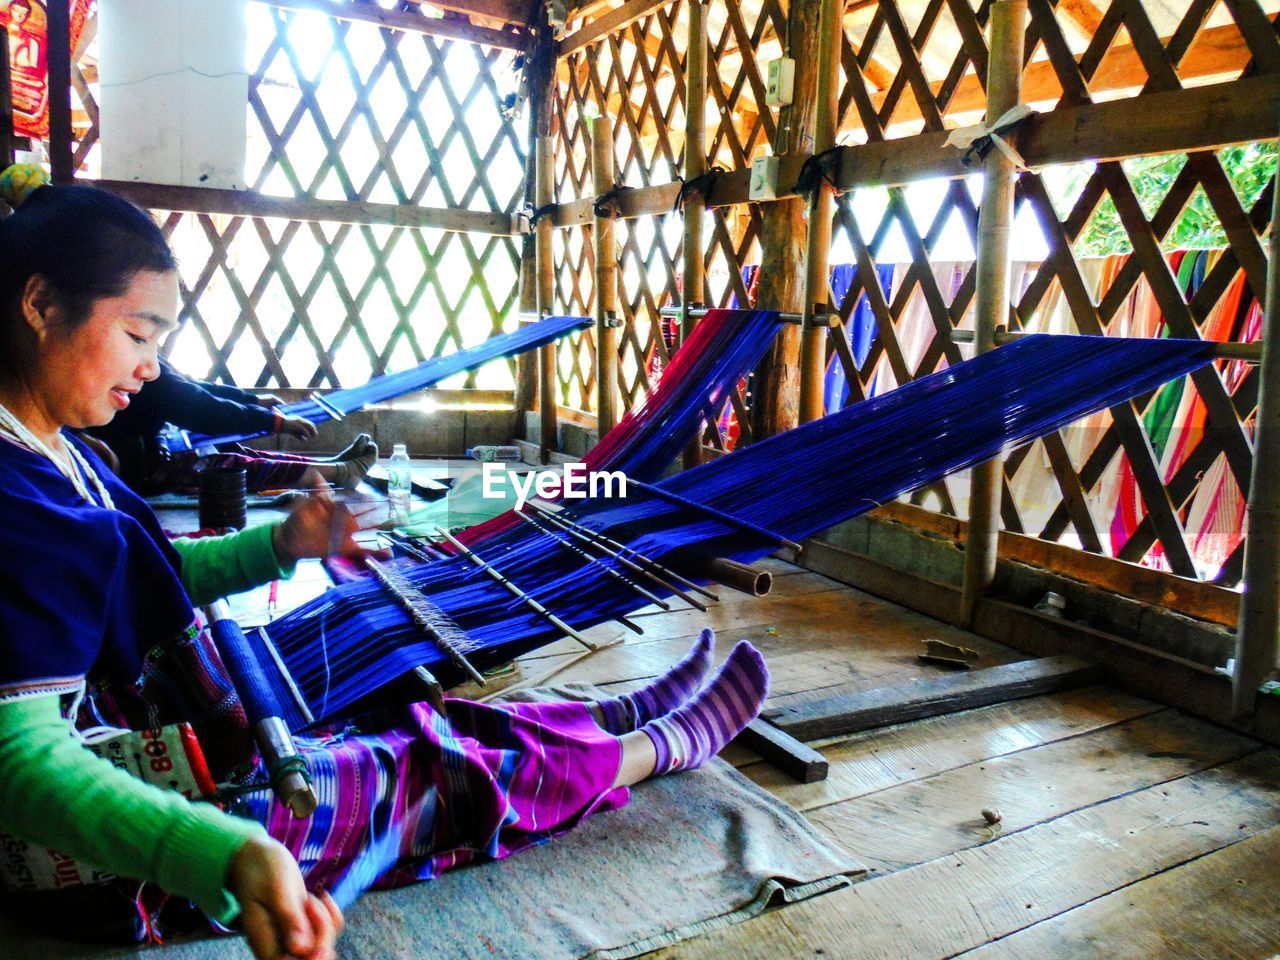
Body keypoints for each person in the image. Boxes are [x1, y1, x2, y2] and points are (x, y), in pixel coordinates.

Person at [0, 166, 772, 958]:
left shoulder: (56, 448)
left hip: (159, 726)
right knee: (421, 777)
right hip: (92, 842)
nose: (155, 367)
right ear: (40, 306)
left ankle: (605, 719)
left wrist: (282, 545)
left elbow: (146, 581)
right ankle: (648, 751)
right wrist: (221, 853)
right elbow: (19, 766)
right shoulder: (16, 501)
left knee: (401, 713)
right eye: (138, 334)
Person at [87, 355, 380, 494]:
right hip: (142, 468)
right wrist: (274, 421)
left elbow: (190, 387)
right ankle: (338, 473)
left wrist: (250, 401)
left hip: (157, 445)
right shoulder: (126, 361)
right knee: (226, 467)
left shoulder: (141, 354)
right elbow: (200, 408)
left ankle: (330, 467)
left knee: (233, 448)